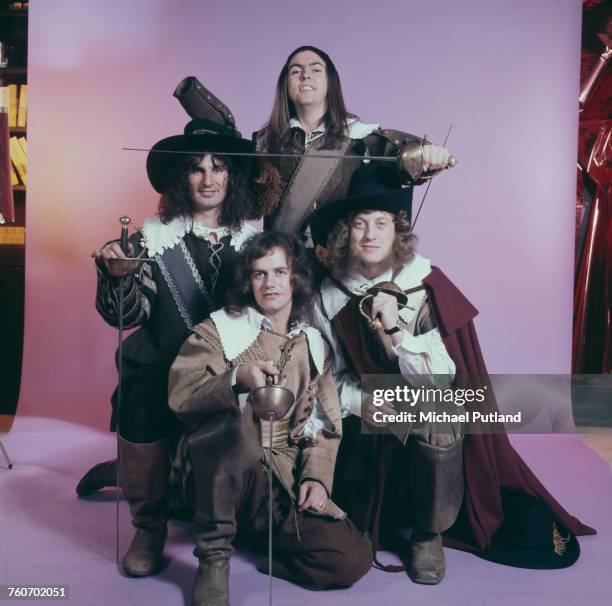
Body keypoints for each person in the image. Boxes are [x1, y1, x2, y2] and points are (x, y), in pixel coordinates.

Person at [307, 163, 595, 585]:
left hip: (421, 400)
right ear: (343, 234)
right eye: (359, 224)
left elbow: (441, 378)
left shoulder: (421, 284)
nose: (370, 234)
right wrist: (365, 402)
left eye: (381, 223)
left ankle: (428, 536)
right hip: (362, 419)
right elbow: (329, 378)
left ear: (397, 232)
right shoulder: (328, 296)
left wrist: (395, 329)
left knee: (441, 417)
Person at [87, 119, 259, 577]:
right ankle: (149, 527)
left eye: (218, 168)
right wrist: (117, 276)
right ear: (181, 179)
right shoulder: (151, 239)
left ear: (232, 177)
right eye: (196, 169)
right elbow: (127, 316)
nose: (207, 178)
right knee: (140, 391)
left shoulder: (253, 243)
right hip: (162, 363)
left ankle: (221, 533)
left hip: (224, 370)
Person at [167, 231, 372, 606]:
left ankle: (257, 542)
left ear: (295, 278)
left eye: (279, 271)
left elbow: (326, 424)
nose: (270, 283)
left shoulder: (313, 343)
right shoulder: (221, 330)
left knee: (352, 559)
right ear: (248, 282)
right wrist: (236, 378)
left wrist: (316, 478)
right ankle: (214, 557)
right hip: (222, 468)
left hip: (277, 480)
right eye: (259, 274)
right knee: (232, 427)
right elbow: (181, 395)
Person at [254, 45, 453, 237]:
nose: (306, 75)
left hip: (337, 263)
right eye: (295, 71)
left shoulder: (360, 137)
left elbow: (409, 157)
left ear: (330, 82)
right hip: (282, 266)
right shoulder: (265, 141)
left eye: (316, 70)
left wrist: (431, 154)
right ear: (285, 84)